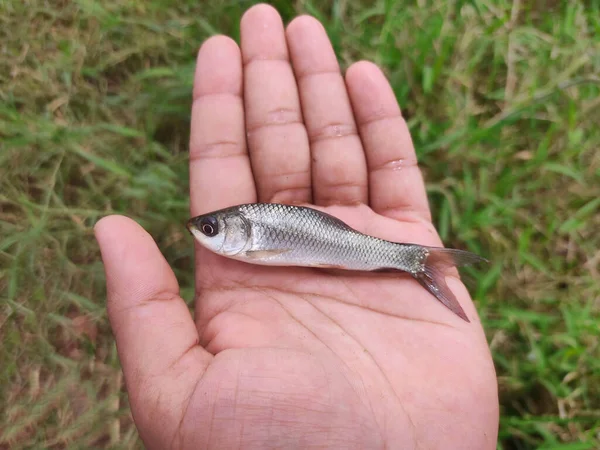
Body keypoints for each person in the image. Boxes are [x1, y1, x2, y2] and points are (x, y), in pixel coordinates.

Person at [94, 4, 499, 449]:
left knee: (389, 252)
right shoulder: (255, 232)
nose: (203, 233)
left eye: (210, 229)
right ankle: (411, 261)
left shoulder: (255, 238)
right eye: (209, 228)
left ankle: (412, 261)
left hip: (352, 246)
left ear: (238, 230)